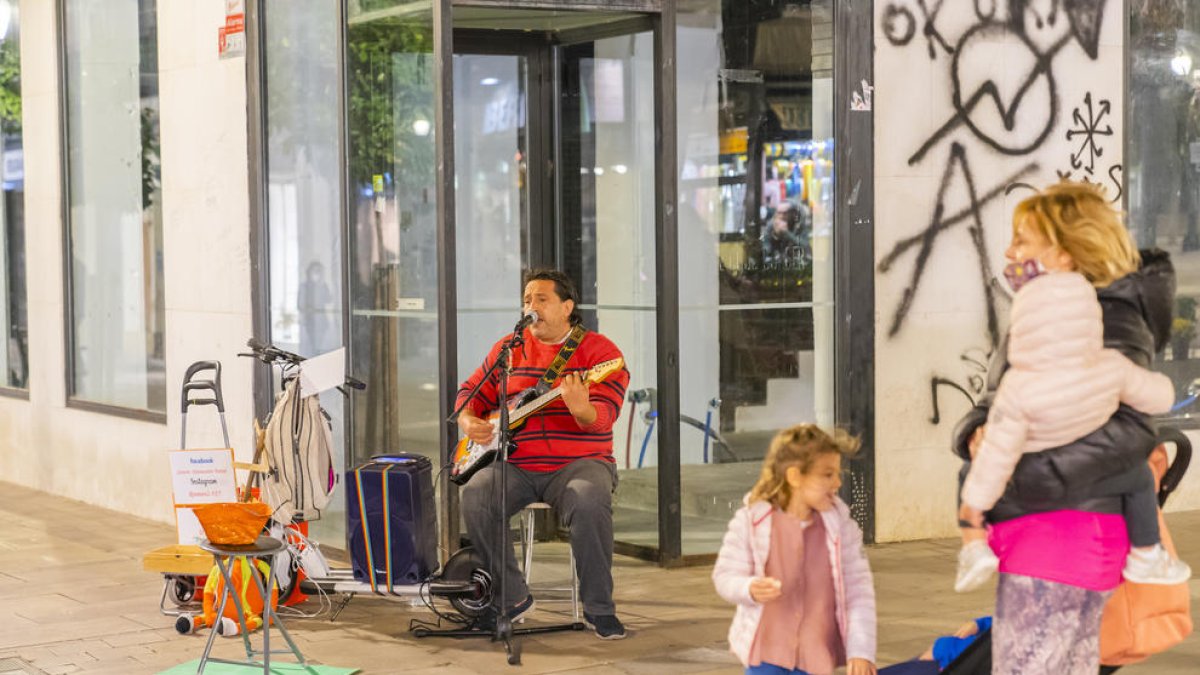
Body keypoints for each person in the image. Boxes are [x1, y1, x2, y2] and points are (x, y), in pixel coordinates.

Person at [949, 181, 1188, 674]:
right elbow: (1007, 398)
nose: (1009, 251)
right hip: (1051, 536)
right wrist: (978, 431)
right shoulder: (1050, 309)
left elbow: (1125, 432)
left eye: (1022, 239)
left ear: (1062, 253)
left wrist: (1010, 471)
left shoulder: (1109, 317)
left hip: (1060, 535)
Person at [953, 266, 1189, 592]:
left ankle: (974, 546)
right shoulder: (1109, 366)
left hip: (1032, 479)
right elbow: (1158, 395)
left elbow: (1002, 443)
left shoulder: (1020, 384)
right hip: (1079, 483)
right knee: (1137, 477)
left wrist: (977, 496)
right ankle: (1147, 553)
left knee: (971, 476)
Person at [456, 269, 631, 640]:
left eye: (541, 299)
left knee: (589, 500)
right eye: (526, 300)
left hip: (579, 464)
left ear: (567, 307)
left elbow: (603, 419)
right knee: (476, 494)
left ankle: (600, 609)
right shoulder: (511, 348)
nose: (530, 307)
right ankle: (512, 598)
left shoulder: (602, 354)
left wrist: (581, 407)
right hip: (516, 464)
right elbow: (472, 392)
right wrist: (469, 420)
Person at [712, 424, 877, 675]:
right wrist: (748, 588)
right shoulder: (751, 521)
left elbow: (859, 592)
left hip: (816, 657)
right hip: (766, 655)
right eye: (827, 474)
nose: (837, 482)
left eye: (837, 473)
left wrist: (861, 650)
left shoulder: (842, 527)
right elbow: (724, 575)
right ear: (794, 476)